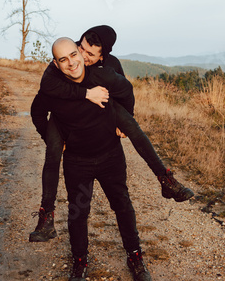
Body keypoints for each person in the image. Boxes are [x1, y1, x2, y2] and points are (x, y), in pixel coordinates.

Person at [29, 26, 194, 244]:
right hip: (64, 125)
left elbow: (126, 91)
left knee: (131, 126)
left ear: (102, 57)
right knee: (52, 151)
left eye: (89, 54)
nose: (82, 57)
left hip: (106, 120)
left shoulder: (108, 68)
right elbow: (42, 99)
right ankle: (46, 215)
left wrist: (123, 123)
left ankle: (166, 179)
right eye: (81, 49)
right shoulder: (58, 69)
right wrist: (86, 93)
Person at [31, 37, 152, 280]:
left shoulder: (98, 76)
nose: (71, 62)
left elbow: (124, 90)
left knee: (122, 205)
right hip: (77, 162)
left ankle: (135, 256)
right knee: (78, 213)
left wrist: (125, 119)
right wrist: (53, 139)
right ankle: (79, 261)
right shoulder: (55, 87)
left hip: (110, 156)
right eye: (62, 59)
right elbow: (37, 112)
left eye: (74, 55)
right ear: (55, 63)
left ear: (80, 53)